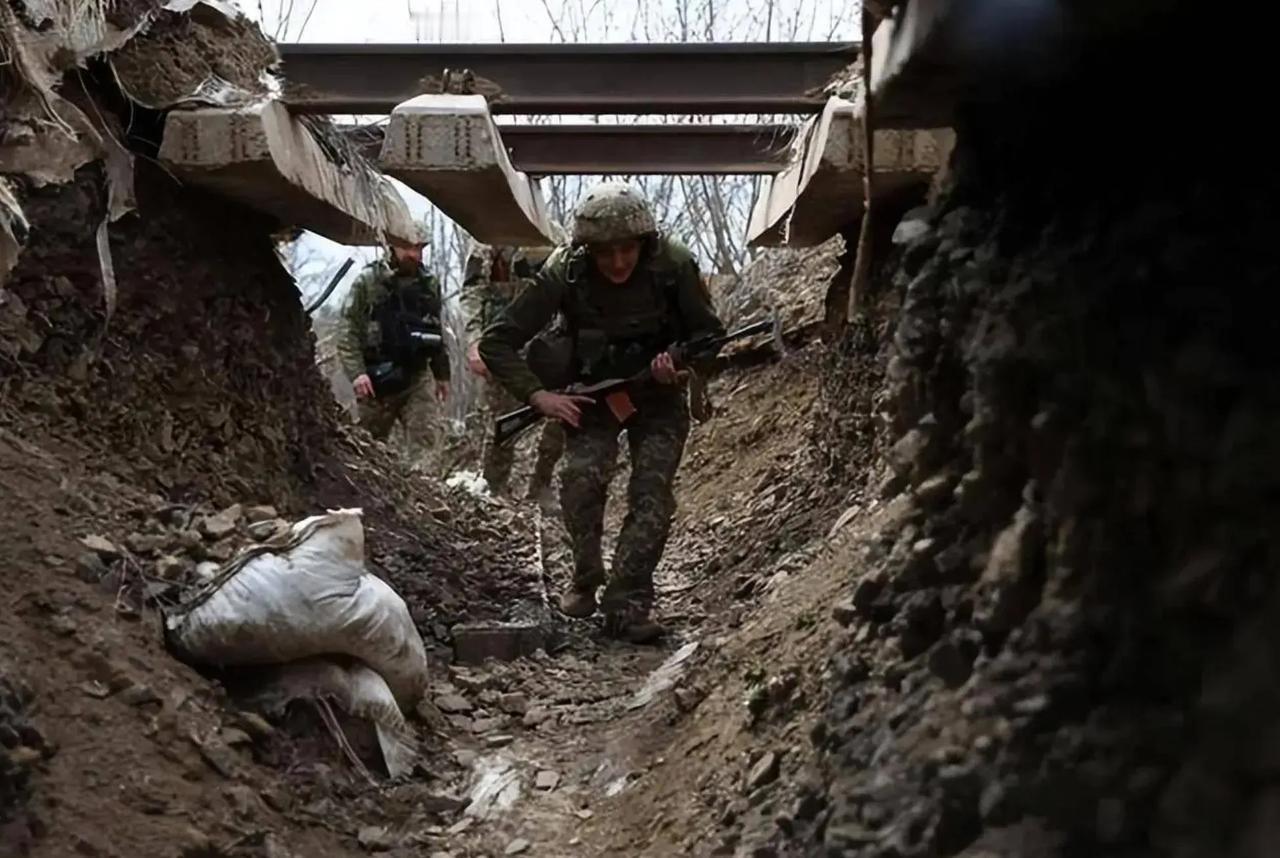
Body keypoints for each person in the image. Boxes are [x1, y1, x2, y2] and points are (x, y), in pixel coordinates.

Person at [479, 182, 725, 643]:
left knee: (652, 494)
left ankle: (628, 603)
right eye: (604, 253)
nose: (616, 263)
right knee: (580, 483)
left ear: (644, 245)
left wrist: (680, 363)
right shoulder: (563, 272)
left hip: (657, 398)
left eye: (627, 250)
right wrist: (538, 396)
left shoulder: (673, 263)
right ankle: (585, 576)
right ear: (586, 250)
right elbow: (497, 341)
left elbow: (710, 336)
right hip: (592, 398)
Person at [461, 239, 565, 499]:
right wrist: (475, 342)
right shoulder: (486, 246)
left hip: (544, 345)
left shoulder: (549, 236)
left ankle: (541, 486)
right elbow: (473, 295)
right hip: (502, 348)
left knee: (560, 417)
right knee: (502, 425)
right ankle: (492, 491)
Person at [335, 224, 451, 455]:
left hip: (416, 377)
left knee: (427, 443)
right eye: (408, 247)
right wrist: (357, 373)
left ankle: (423, 488)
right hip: (378, 380)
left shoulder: (429, 284)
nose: (414, 255)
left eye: (419, 249)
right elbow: (348, 329)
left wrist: (442, 374)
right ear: (392, 246)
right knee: (368, 451)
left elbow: (435, 330)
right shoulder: (368, 282)